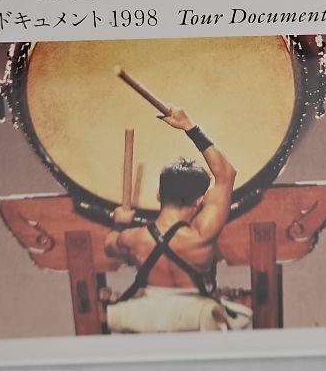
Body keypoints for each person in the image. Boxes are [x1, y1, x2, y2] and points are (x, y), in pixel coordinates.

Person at [103, 106, 253, 332]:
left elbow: (109, 245)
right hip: (196, 317)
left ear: (158, 195)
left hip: (147, 318)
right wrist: (189, 127)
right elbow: (226, 174)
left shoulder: (134, 239)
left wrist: (120, 223)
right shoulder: (201, 235)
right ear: (199, 201)